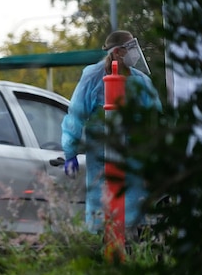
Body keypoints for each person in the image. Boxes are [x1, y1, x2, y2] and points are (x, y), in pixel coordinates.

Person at [61, 30, 162, 233]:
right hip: (101, 154)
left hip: (134, 156)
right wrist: (69, 151)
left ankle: (129, 248)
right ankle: (103, 246)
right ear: (117, 53)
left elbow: (155, 120)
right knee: (102, 206)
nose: (135, 53)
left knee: (132, 212)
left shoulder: (141, 80)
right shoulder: (93, 76)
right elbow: (76, 115)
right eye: (130, 48)